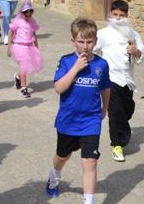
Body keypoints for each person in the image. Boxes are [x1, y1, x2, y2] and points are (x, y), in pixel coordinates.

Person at [45, 18, 110, 203]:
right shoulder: (66, 61)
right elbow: (59, 88)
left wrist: (104, 109)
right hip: (68, 119)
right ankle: (55, 173)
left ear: (95, 41)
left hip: (91, 119)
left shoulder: (101, 64)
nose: (85, 46)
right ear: (73, 41)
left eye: (89, 42)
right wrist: (75, 68)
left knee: (90, 161)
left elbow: (106, 87)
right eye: (81, 41)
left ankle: (88, 200)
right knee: (62, 156)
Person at [94, 0, 144, 163]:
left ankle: (122, 131)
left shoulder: (133, 34)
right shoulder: (103, 34)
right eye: (115, 14)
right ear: (110, 15)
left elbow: (141, 54)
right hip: (111, 78)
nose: (117, 18)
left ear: (126, 16)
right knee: (115, 112)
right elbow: (92, 50)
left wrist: (135, 50)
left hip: (127, 79)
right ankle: (117, 144)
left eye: (121, 15)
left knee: (126, 110)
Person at [6, 0, 42, 98]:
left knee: (25, 67)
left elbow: (34, 34)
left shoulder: (32, 22)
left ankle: (18, 77)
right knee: (23, 66)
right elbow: (10, 33)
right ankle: (23, 88)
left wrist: (36, 46)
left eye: (30, 12)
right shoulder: (18, 22)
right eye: (26, 12)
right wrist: (9, 47)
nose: (29, 14)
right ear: (22, 13)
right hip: (19, 47)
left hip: (29, 46)